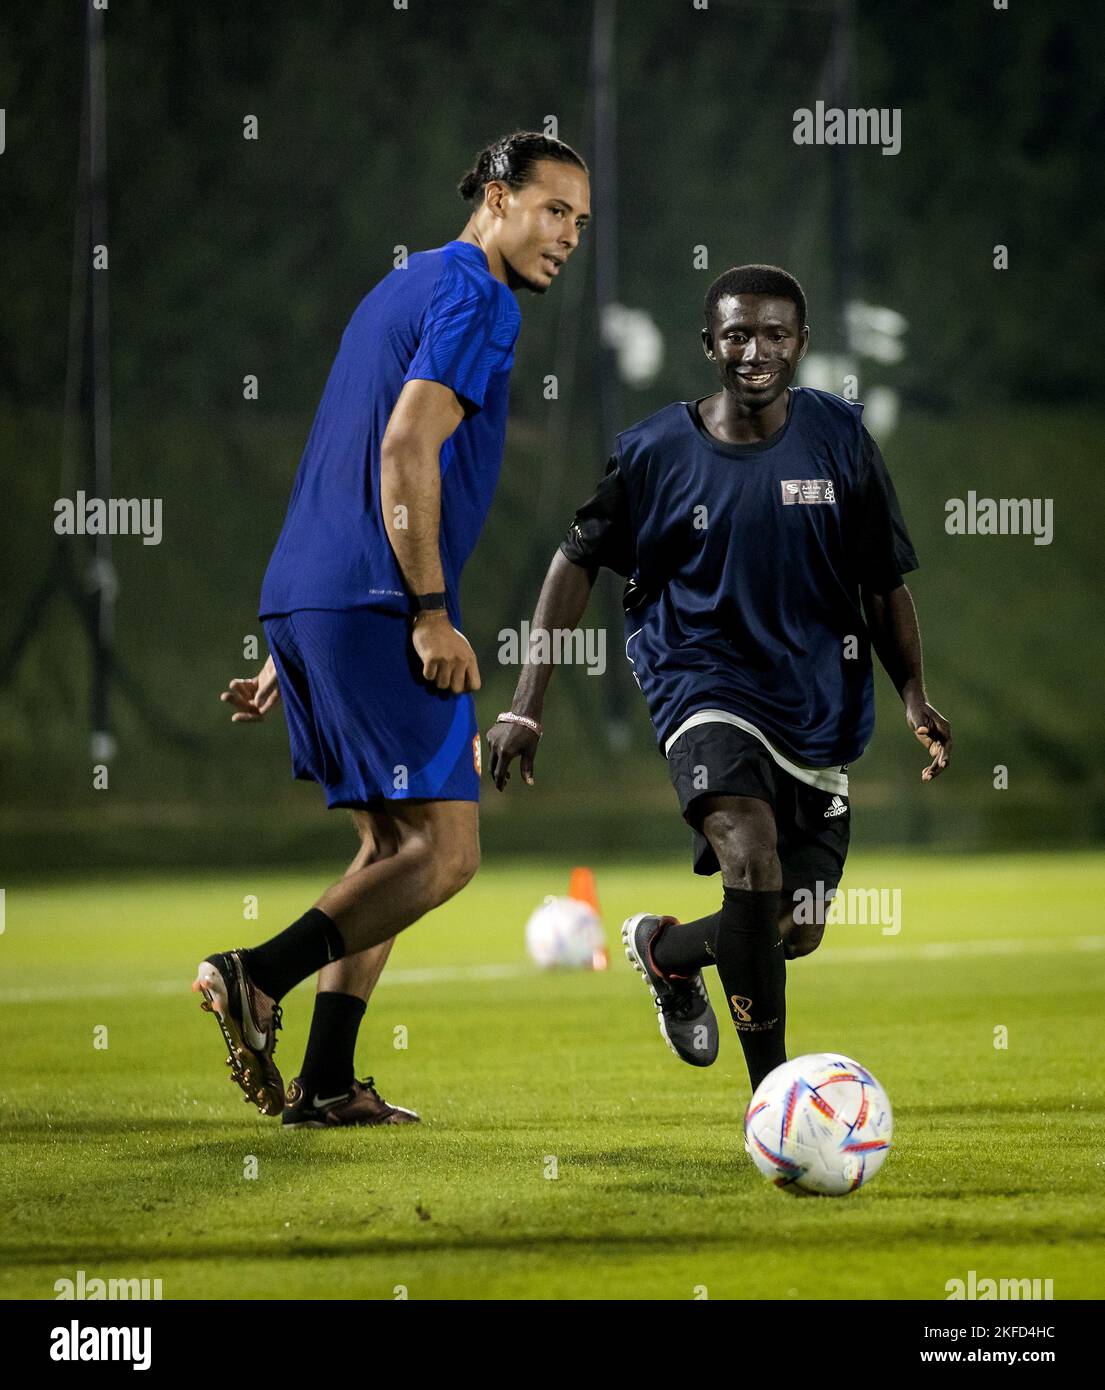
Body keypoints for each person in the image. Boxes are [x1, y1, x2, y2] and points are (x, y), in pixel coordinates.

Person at [196, 131, 591, 1127]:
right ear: (495, 199)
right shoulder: (478, 297)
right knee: (446, 853)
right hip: (374, 603)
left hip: (315, 594)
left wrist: (294, 652)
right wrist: (426, 613)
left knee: (389, 850)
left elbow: (344, 454)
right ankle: (256, 975)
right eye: (553, 210)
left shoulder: (398, 288)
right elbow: (407, 440)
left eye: (581, 221)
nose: (569, 235)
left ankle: (327, 1080)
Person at [487, 263, 951, 1093]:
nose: (755, 350)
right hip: (698, 682)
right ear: (709, 344)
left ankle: (664, 953)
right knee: (748, 854)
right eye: (737, 334)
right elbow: (574, 561)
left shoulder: (838, 439)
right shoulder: (654, 452)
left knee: (790, 925)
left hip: (813, 703)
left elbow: (883, 582)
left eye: (775, 333)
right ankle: (774, 1097)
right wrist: (525, 707)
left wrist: (913, 692)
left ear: (801, 344)